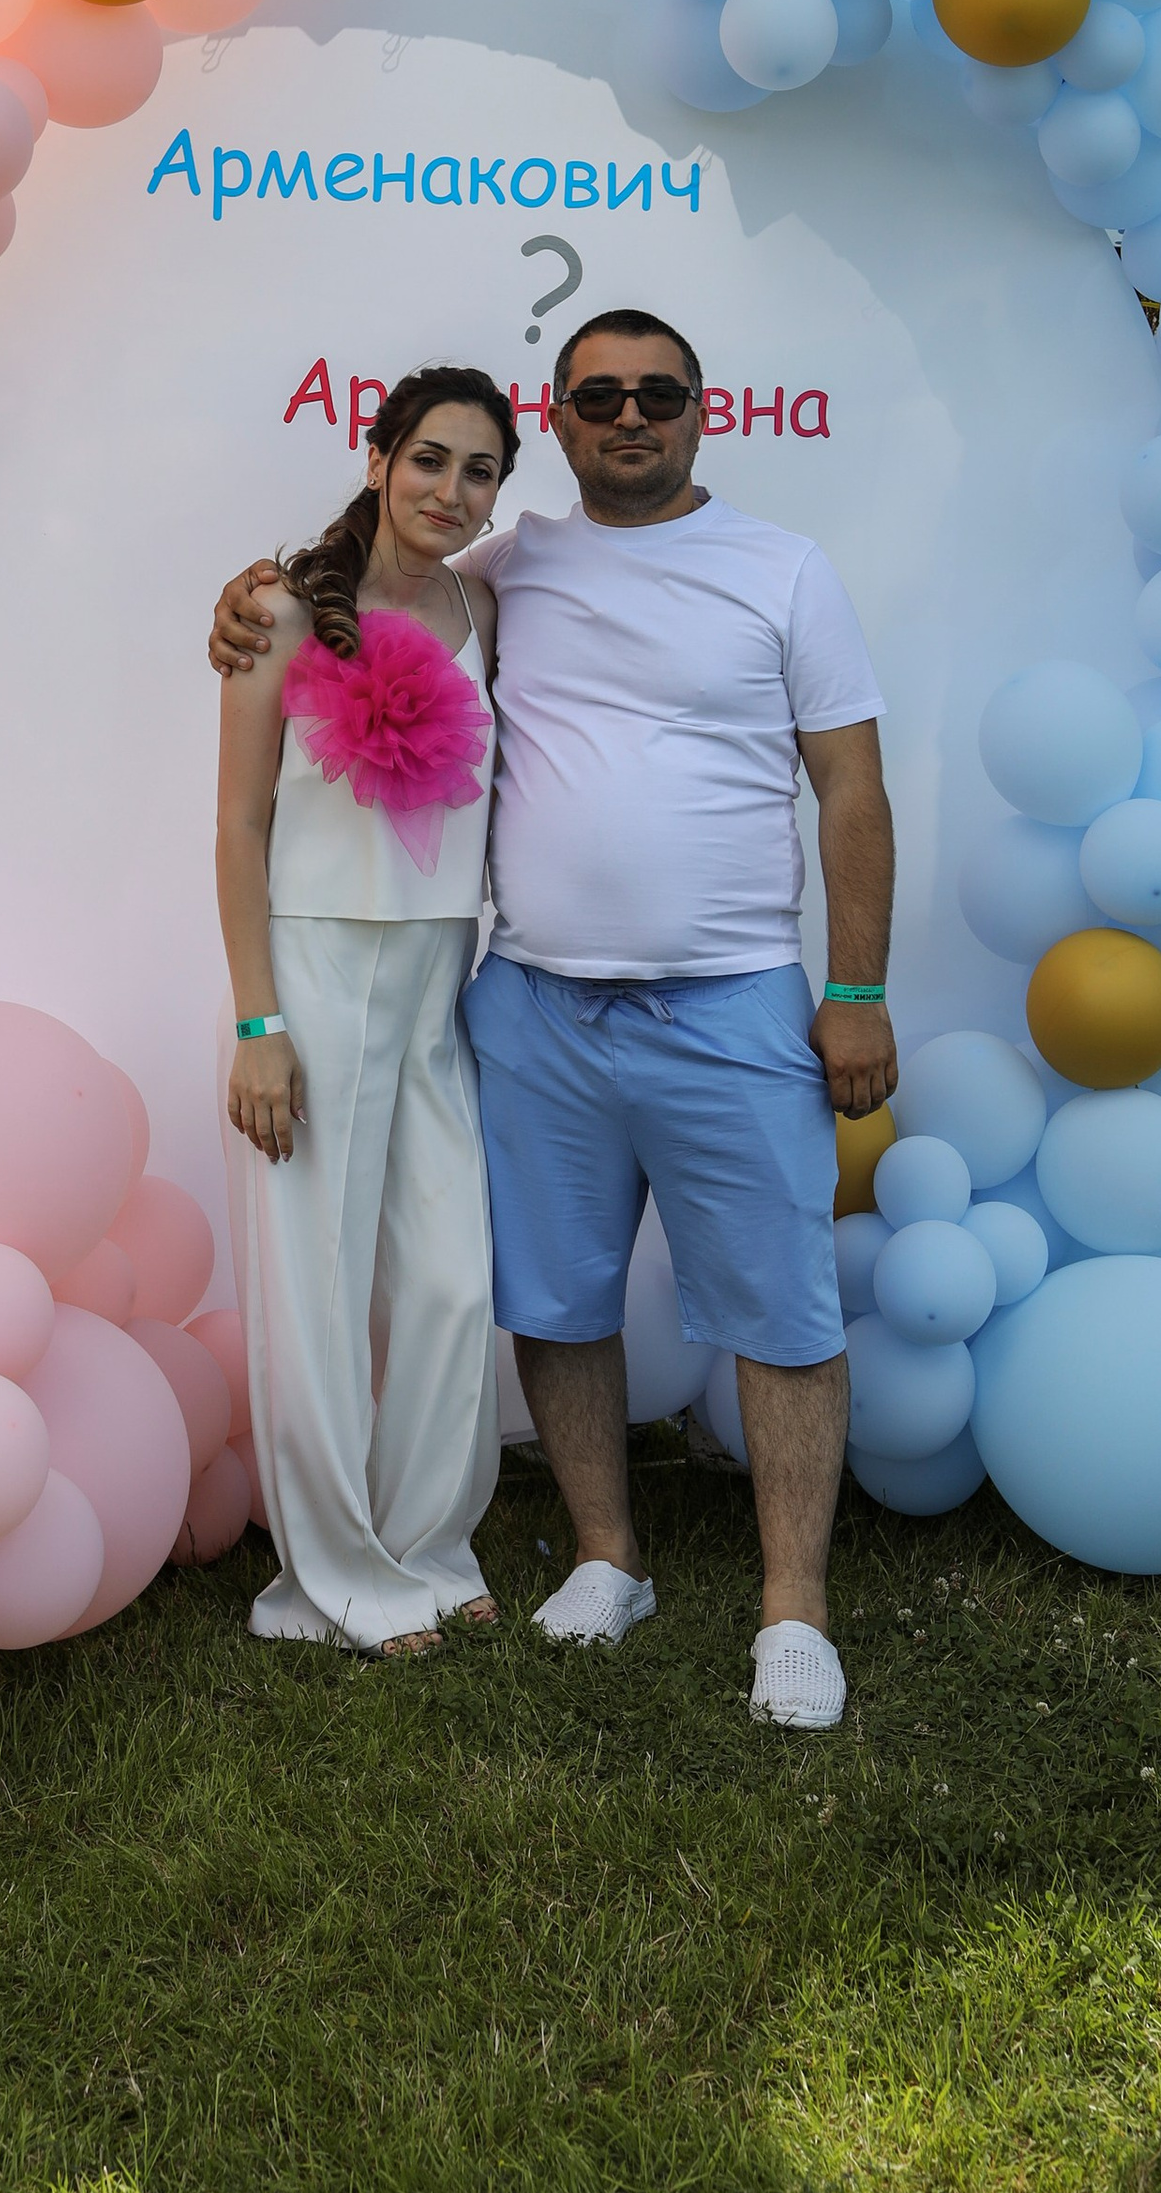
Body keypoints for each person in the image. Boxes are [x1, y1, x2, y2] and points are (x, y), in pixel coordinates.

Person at [212, 308, 893, 1732]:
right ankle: (603, 1560)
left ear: (706, 413)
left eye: (659, 394)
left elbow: (850, 786)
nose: (628, 415)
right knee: (548, 1297)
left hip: (727, 1001)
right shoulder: (512, 566)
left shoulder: (775, 569)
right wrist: (249, 591)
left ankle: (794, 1611)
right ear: (565, 423)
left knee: (775, 1304)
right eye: (599, 396)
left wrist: (859, 990)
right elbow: (342, 614)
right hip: (525, 1004)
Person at [214, 365, 519, 1657]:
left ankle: (427, 1545)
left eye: (483, 471)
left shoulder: (486, 604)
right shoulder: (279, 611)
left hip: (437, 979)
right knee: (318, 1289)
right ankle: (337, 1578)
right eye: (433, 460)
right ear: (379, 453)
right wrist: (257, 1027)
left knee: (451, 1280)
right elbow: (238, 826)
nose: (454, 491)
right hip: (315, 975)